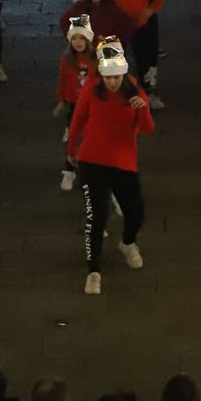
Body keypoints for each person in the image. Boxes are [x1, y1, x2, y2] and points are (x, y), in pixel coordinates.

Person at [68, 39, 153, 294]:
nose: (113, 82)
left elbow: (147, 128)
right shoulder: (92, 89)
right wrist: (71, 150)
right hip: (92, 161)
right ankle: (93, 270)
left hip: (123, 163)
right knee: (97, 217)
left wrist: (142, 109)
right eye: (108, 77)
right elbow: (78, 118)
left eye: (116, 77)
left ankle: (127, 242)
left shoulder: (134, 91)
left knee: (135, 213)